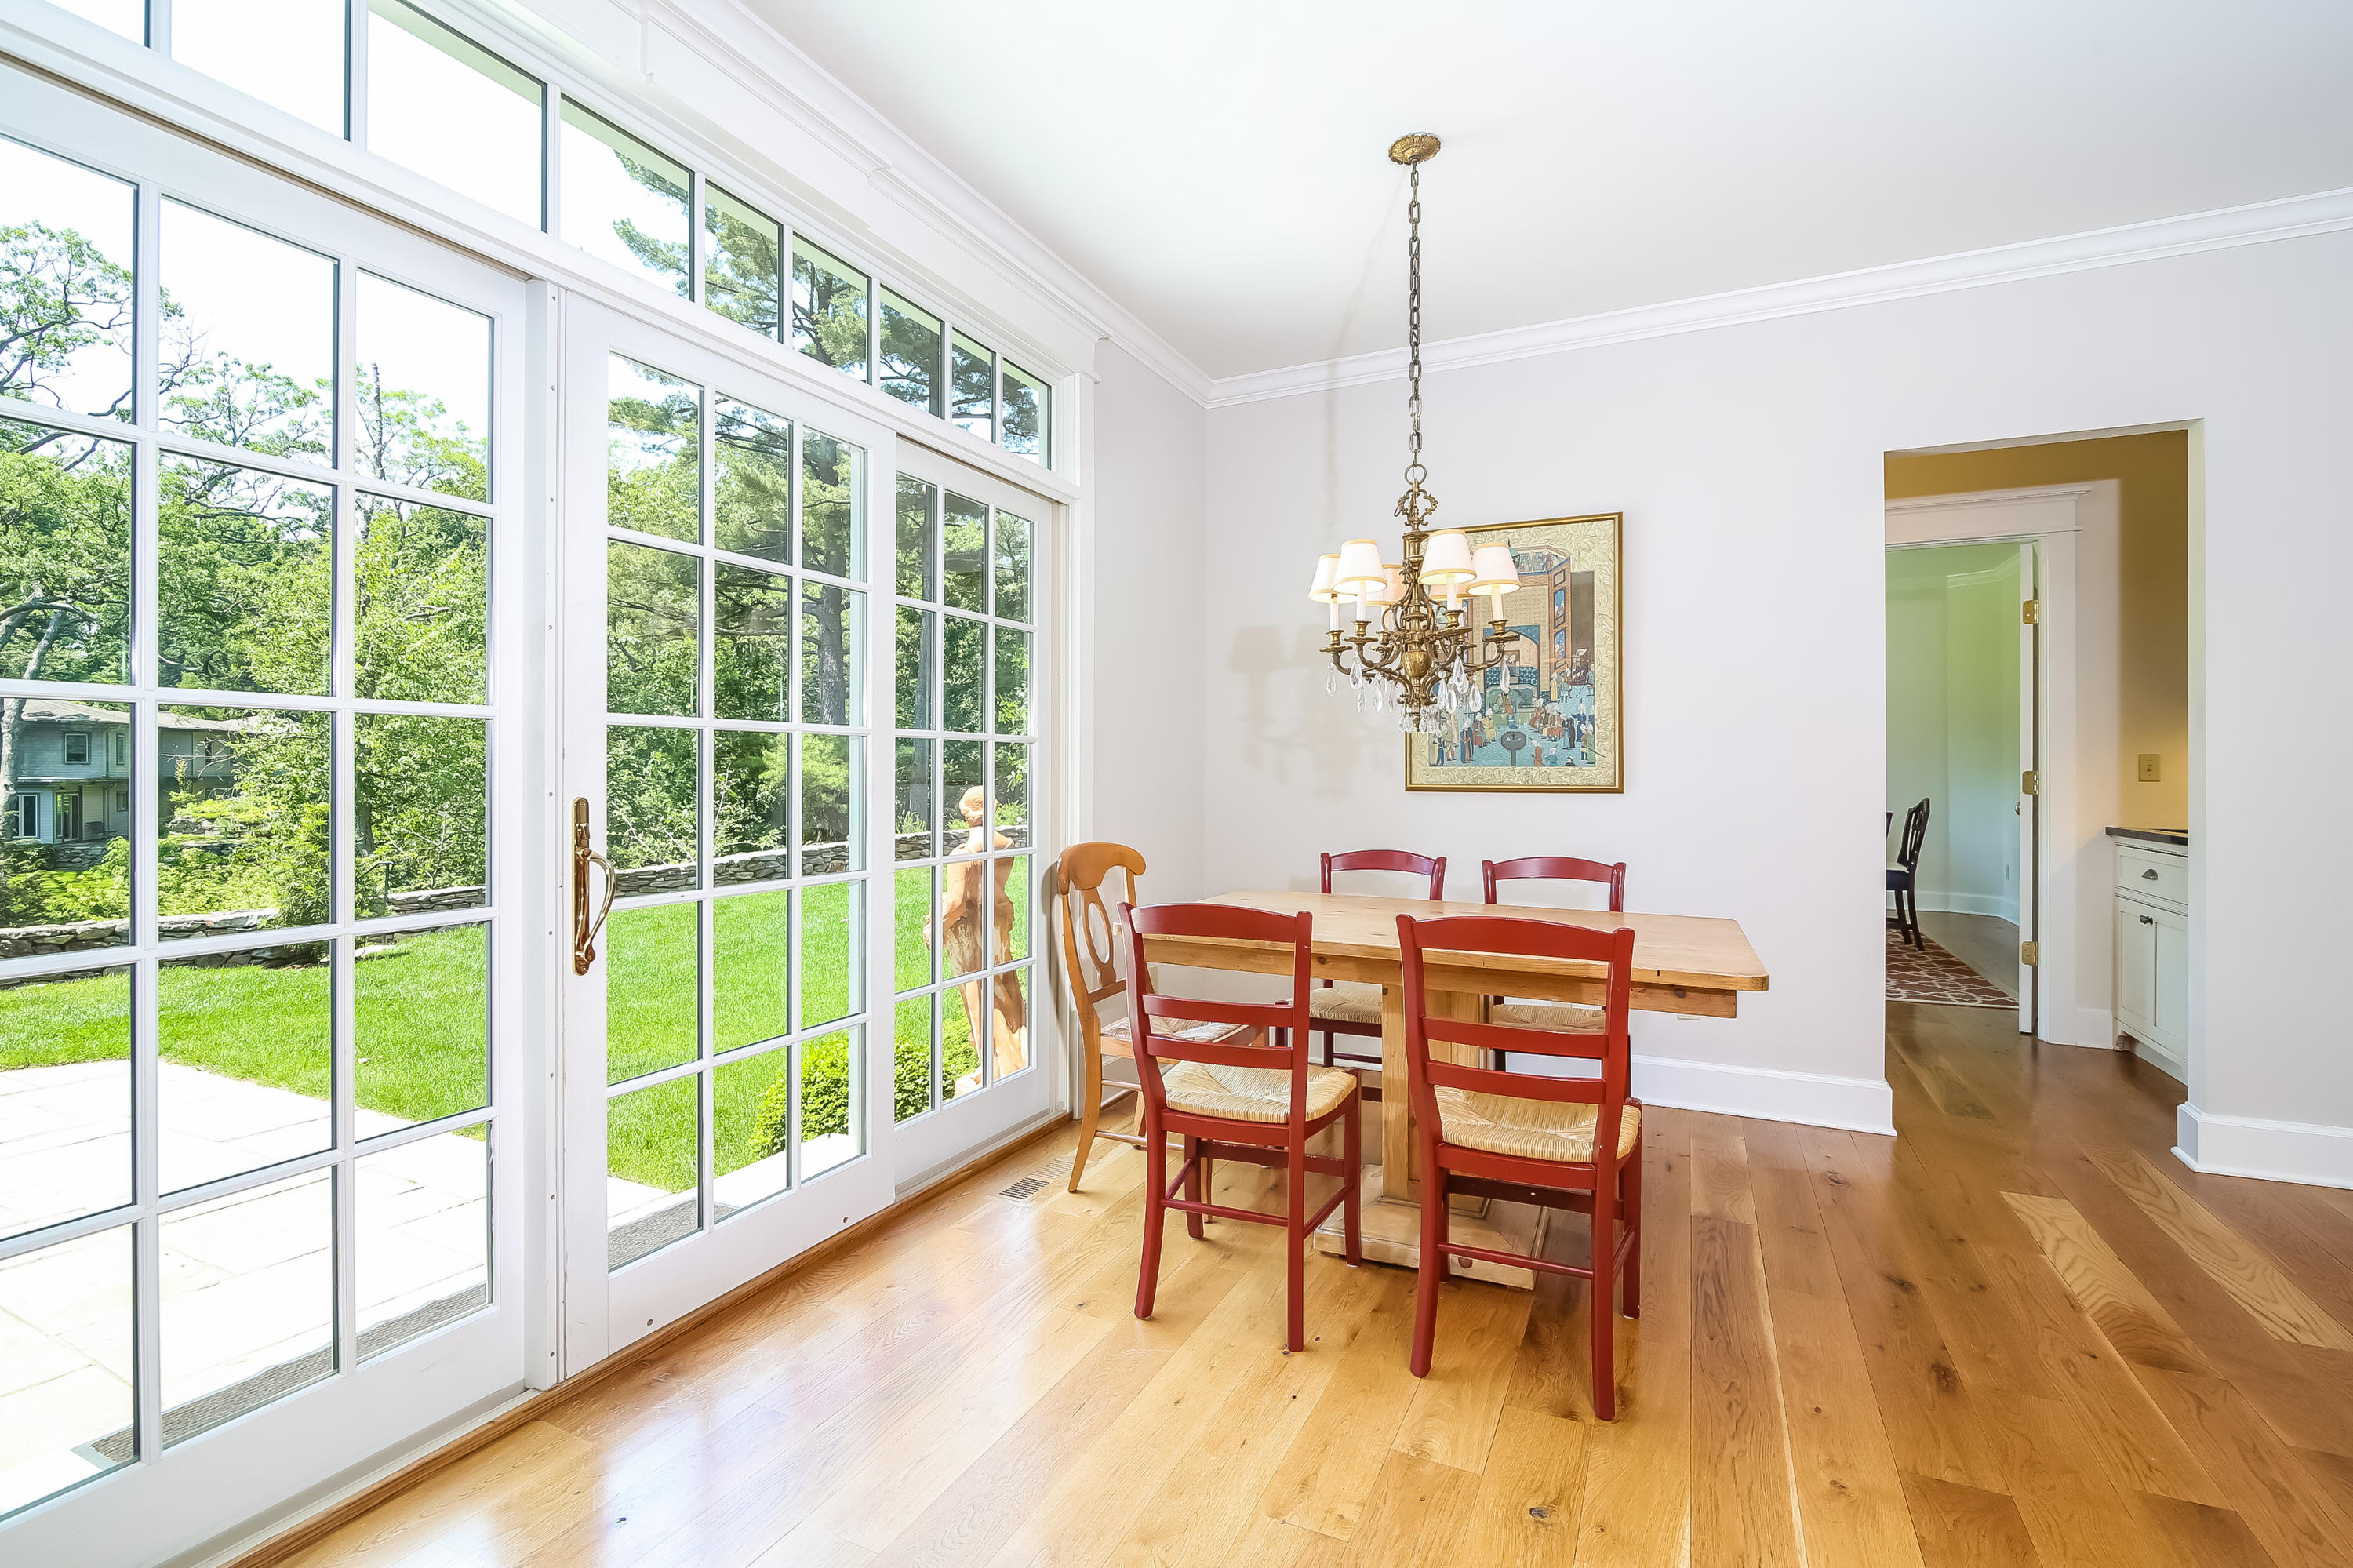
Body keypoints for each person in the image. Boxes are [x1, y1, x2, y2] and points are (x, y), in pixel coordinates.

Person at [925, 784, 1027, 1094]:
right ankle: (1016, 1055)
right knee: (1005, 987)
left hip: (973, 926)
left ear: (969, 815)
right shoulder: (1005, 843)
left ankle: (993, 1065)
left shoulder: (964, 855)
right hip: (998, 921)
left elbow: (956, 903)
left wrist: (935, 926)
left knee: (978, 992)